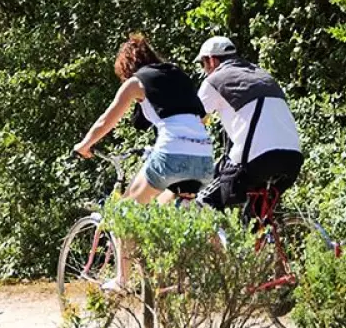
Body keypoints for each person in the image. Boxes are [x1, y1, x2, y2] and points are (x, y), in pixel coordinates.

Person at [73, 33, 214, 204]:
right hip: (205, 160)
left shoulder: (136, 82)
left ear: (126, 67)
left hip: (171, 155)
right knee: (162, 211)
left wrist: (84, 146)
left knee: (126, 211)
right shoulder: (179, 75)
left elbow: (106, 121)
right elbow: (202, 118)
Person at [193, 35, 303, 211]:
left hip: (257, 159)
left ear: (212, 60)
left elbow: (192, 122)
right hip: (292, 159)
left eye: (203, 64)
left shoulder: (214, 80)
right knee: (254, 216)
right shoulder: (262, 75)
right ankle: (266, 229)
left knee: (203, 202)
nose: (204, 70)